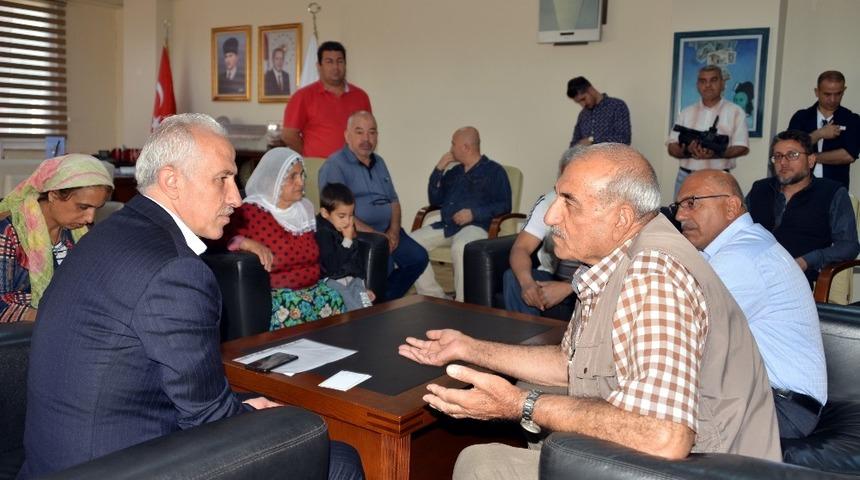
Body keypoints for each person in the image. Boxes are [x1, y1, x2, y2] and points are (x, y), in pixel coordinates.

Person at [399, 143, 780, 479]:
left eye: (569, 202)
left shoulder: (654, 274)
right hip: (683, 451)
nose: (551, 217)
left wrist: (522, 406)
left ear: (622, 218)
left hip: (707, 466)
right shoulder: (613, 262)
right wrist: (470, 348)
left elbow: (665, 437)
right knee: (530, 391)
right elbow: (570, 363)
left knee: (481, 463)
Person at [19, 114, 363, 479]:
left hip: (60, 458)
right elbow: (208, 417)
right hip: (119, 466)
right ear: (172, 180)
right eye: (222, 179)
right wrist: (252, 415)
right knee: (336, 456)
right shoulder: (174, 270)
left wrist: (242, 406)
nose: (236, 198)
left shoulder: (106, 235)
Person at [675, 170, 827, 439]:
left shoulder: (741, 257)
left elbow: (680, 333)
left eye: (692, 203)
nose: (680, 215)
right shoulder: (734, 249)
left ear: (731, 206)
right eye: (679, 206)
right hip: (761, 396)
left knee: (646, 422)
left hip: (779, 408)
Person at [222, 147, 345, 329]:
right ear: (273, 180)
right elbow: (220, 238)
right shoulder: (250, 211)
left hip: (315, 291)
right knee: (296, 311)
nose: (301, 182)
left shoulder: (305, 209)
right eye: (292, 177)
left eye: (302, 175)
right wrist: (245, 242)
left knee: (336, 300)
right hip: (280, 297)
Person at [320, 111, 428, 301]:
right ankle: (376, 304)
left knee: (418, 258)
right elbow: (337, 212)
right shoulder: (335, 165)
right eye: (359, 132)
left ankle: (385, 302)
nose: (366, 139)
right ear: (347, 135)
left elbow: (393, 200)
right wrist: (375, 234)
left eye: (372, 132)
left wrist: (394, 230)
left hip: (387, 231)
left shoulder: (380, 162)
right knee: (383, 264)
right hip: (357, 233)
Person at [0, 154, 113, 323]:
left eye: (97, 208)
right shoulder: (8, 232)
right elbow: (2, 306)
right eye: (83, 207)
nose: (90, 218)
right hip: (24, 334)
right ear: (53, 195)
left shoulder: (80, 232)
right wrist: (64, 317)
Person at [411, 127, 511, 301]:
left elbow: (504, 205)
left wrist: (474, 214)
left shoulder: (495, 171)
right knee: (411, 244)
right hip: (447, 225)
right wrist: (439, 169)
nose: (451, 148)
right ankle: (434, 297)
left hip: (477, 226)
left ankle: (462, 303)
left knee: (461, 247)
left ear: (466, 147)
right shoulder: (455, 172)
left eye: (453, 144)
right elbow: (435, 199)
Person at [746, 129, 860, 284]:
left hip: (796, 280)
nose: (783, 162)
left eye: (792, 155)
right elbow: (737, 228)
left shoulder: (831, 192)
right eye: (778, 156)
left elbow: (849, 246)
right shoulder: (760, 189)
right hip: (750, 273)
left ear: (811, 160)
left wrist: (807, 261)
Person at [503, 147, 580, 320]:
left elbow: (612, 266)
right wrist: (527, 283)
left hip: (589, 282)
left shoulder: (603, 208)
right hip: (552, 275)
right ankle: (526, 334)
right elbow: (521, 248)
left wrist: (569, 287)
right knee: (513, 278)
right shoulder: (548, 201)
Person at [667, 65, 749, 196]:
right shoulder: (686, 113)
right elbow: (672, 146)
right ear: (697, 85)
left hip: (719, 179)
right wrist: (687, 151)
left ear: (723, 84)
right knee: (681, 210)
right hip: (687, 177)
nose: (708, 85)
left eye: (713, 80)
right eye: (703, 81)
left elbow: (742, 147)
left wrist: (715, 153)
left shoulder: (736, 112)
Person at [281, 41, 371, 158]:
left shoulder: (361, 96)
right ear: (319, 66)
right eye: (329, 62)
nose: (335, 67)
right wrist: (309, 155)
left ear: (345, 64)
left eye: (340, 61)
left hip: (354, 166)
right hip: (318, 166)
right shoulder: (303, 96)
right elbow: (289, 135)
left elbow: (368, 132)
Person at [788, 70, 860, 189]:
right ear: (817, 92)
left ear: (844, 90)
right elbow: (791, 149)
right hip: (799, 187)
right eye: (827, 94)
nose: (833, 99)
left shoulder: (852, 119)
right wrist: (819, 134)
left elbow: (848, 155)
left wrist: (810, 157)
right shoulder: (801, 117)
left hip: (835, 189)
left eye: (838, 94)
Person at [316, 182, 375, 311]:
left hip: (350, 277)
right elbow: (332, 266)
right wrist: (347, 240)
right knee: (352, 306)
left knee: (366, 307)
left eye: (351, 215)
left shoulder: (345, 226)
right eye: (342, 216)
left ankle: (366, 312)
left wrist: (363, 285)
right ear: (325, 213)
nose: (347, 221)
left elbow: (355, 258)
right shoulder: (322, 232)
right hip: (331, 280)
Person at [567, 76, 631, 147]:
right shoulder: (582, 115)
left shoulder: (617, 106)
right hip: (587, 155)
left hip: (612, 154)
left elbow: (624, 139)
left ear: (591, 89)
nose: (583, 104)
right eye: (578, 102)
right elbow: (573, 144)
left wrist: (592, 140)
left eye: (583, 99)